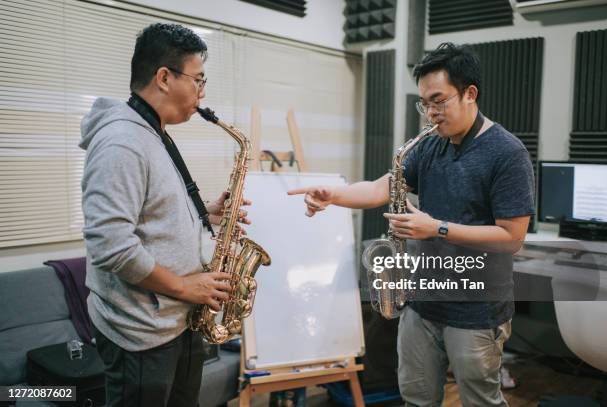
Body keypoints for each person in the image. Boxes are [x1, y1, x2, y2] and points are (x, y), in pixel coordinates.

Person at [288, 42, 534, 406]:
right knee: (415, 398)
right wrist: (333, 196)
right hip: (422, 303)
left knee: (481, 400)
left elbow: (512, 237)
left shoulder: (507, 153)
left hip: (477, 310)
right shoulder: (430, 145)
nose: (430, 114)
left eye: (439, 101)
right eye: (425, 104)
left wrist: (437, 228)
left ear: (470, 93)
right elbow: (377, 188)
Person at [80, 23, 247, 407]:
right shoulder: (122, 142)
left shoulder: (150, 132)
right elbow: (111, 244)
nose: (202, 93)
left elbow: (145, 210)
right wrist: (186, 287)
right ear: (164, 78)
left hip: (174, 323)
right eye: (198, 80)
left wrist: (207, 212)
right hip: (141, 332)